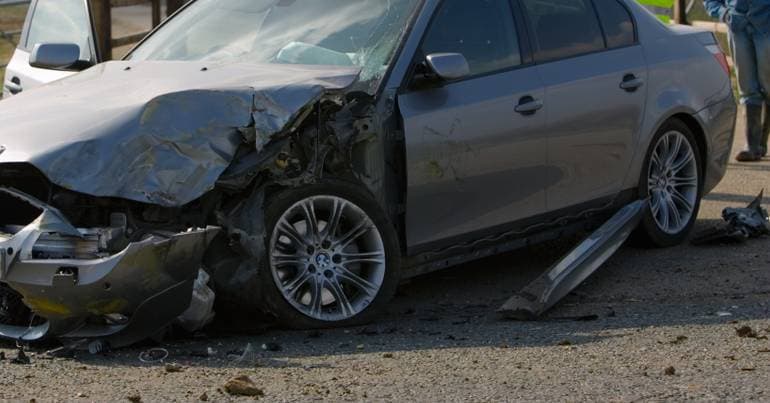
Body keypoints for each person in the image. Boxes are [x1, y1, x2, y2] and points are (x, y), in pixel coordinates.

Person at [704, 0, 770, 161]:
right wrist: (723, 13)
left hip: (766, 24)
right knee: (746, 86)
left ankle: (761, 142)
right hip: (737, 25)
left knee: (768, 84)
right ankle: (751, 146)